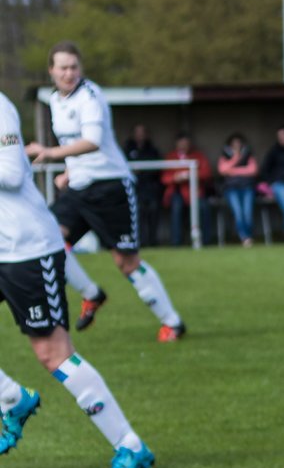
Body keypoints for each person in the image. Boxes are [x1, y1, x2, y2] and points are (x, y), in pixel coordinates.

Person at [1, 89, 154, 468]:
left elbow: (14, 173)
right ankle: (11, 399)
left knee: (53, 354)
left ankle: (130, 446)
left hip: (27, 249)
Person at [25, 42, 187, 342]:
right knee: (47, 238)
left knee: (126, 262)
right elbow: (77, 145)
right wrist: (70, 171)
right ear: (51, 71)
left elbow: (93, 141)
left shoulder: (90, 95)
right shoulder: (54, 100)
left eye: (74, 67)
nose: (69, 73)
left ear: (80, 68)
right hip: (80, 188)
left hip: (111, 187)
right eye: (63, 67)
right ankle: (92, 293)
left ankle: (173, 322)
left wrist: (49, 152)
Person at [160, 131, 213, 248]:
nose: (184, 146)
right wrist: (176, 177)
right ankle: (176, 242)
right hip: (176, 191)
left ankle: (206, 241)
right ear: (176, 144)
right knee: (176, 208)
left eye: (186, 143)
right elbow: (164, 178)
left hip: (195, 192)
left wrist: (191, 174)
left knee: (204, 208)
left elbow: (207, 173)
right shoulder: (171, 156)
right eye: (181, 143)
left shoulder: (198, 155)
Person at [123, 124, 162, 247]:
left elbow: (156, 170)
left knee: (153, 208)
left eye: (142, 132)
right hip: (133, 188)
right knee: (137, 211)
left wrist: (143, 172)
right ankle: (139, 241)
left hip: (149, 188)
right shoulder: (127, 149)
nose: (140, 135)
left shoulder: (152, 149)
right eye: (137, 132)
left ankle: (152, 241)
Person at [217, 132, 258, 247]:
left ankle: (249, 236)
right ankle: (244, 238)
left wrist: (233, 171)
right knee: (238, 213)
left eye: (238, 143)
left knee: (247, 213)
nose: (236, 146)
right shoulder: (224, 157)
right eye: (234, 144)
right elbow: (222, 170)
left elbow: (253, 170)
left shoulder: (248, 155)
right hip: (231, 189)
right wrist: (236, 158)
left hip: (247, 188)